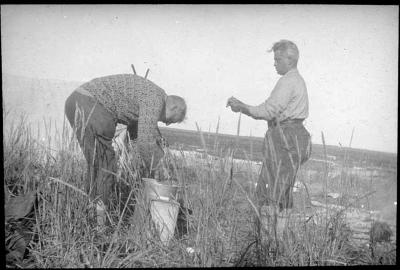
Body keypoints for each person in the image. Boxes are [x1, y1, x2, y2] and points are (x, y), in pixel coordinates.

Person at [64, 73, 186, 223]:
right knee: (105, 166)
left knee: (96, 164)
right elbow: (145, 140)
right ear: (173, 107)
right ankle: (99, 223)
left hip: (77, 100)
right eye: (170, 120)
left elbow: (138, 135)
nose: (166, 123)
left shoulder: (149, 96)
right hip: (91, 104)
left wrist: (154, 155)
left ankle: (91, 217)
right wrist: (158, 170)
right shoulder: (156, 99)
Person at [226, 40, 311, 226]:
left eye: (277, 59)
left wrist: (242, 107)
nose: (274, 63)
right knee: (282, 188)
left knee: (273, 189)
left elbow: (268, 111)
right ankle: (276, 237)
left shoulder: (288, 81)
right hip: (294, 135)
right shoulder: (296, 80)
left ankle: (270, 238)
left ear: (290, 60)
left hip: (286, 136)